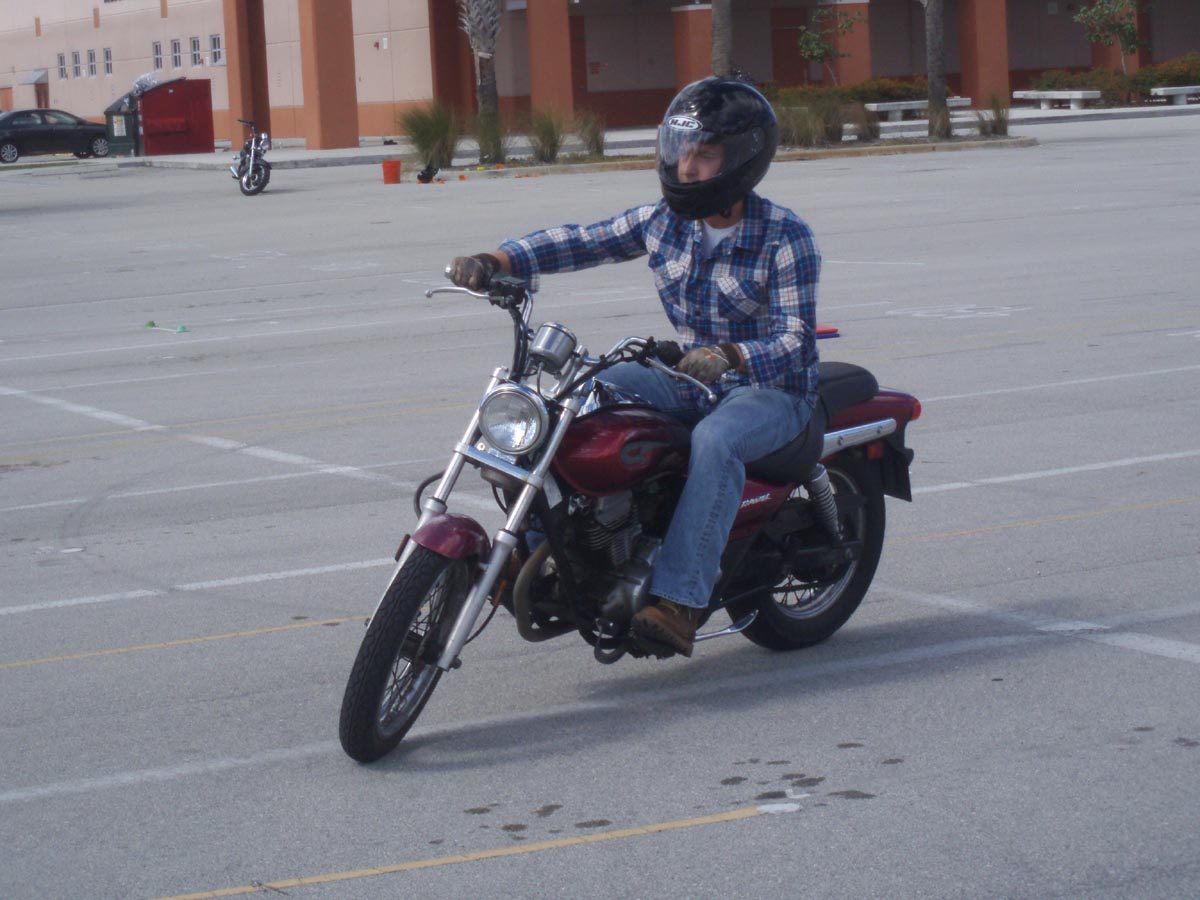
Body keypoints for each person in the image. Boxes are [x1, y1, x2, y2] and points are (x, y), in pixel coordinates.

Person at [447, 77, 820, 658]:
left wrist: (732, 355)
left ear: (742, 160)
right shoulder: (665, 221)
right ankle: (542, 547)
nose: (687, 166)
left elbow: (796, 340)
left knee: (717, 440)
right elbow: (582, 241)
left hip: (771, 391)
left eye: (705, 155)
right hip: (690, 380)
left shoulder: (784, 236)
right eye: (682, 151)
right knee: (581, 395)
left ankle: (680, 600)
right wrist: (495, 260)